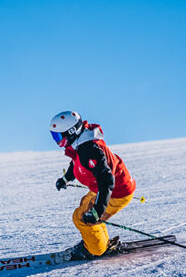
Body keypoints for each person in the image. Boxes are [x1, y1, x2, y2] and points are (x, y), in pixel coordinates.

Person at [50, 111, 136, 260]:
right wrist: (66, 178)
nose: (57, 141)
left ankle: (96, 249)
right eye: (54, 136)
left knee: (83, 219)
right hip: (103, 189)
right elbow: (75, 163)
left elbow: (107, 180)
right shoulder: (80, 144)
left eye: (58, 136)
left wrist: (97, 211)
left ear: (71, 131)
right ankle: (97, 241)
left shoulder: (89, 150)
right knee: (84, 207)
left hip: (116, 192)